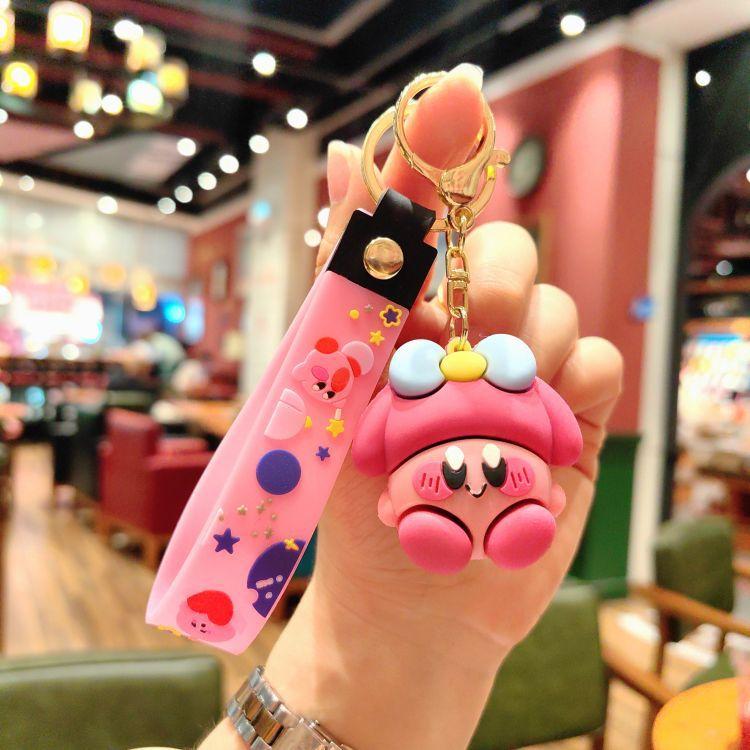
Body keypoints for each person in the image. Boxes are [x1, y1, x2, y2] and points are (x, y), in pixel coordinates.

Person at [198, 63, 622, 750]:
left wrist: (416, 648)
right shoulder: (412, 403)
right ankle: (449, 525)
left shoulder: (517, 395)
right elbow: (371, 448)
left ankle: (505, 519)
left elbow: (559, 437)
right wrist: (376, 633)